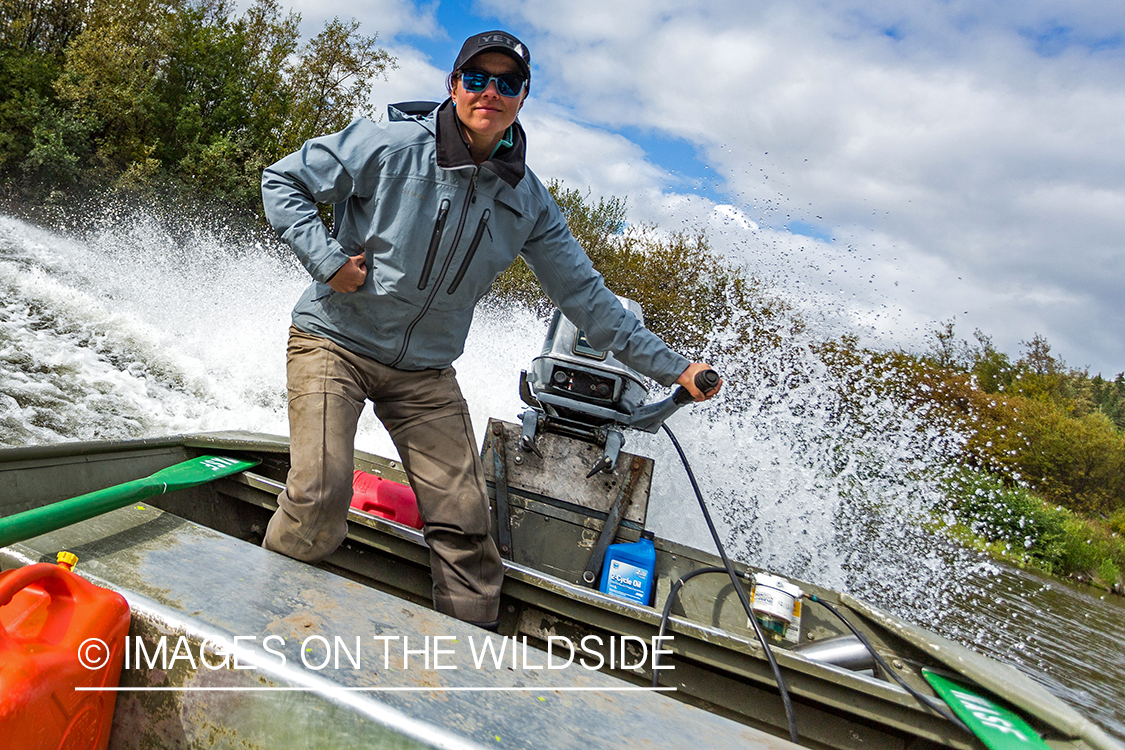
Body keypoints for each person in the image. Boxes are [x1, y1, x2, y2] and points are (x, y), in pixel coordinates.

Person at [259, 30, 721, 628]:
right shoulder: (391, 146)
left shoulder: (527, 201)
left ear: (522, 98)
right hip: (334, 343)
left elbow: (587, 299)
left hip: (423, 374)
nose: (489, 92)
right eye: (476, 78)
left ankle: (462, 674)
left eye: (507, 83)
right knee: (323, 491)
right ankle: (266, 628)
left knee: (471, 530)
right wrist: (326, 261)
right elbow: (283, 181)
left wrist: (676, 368)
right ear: (452, 86)